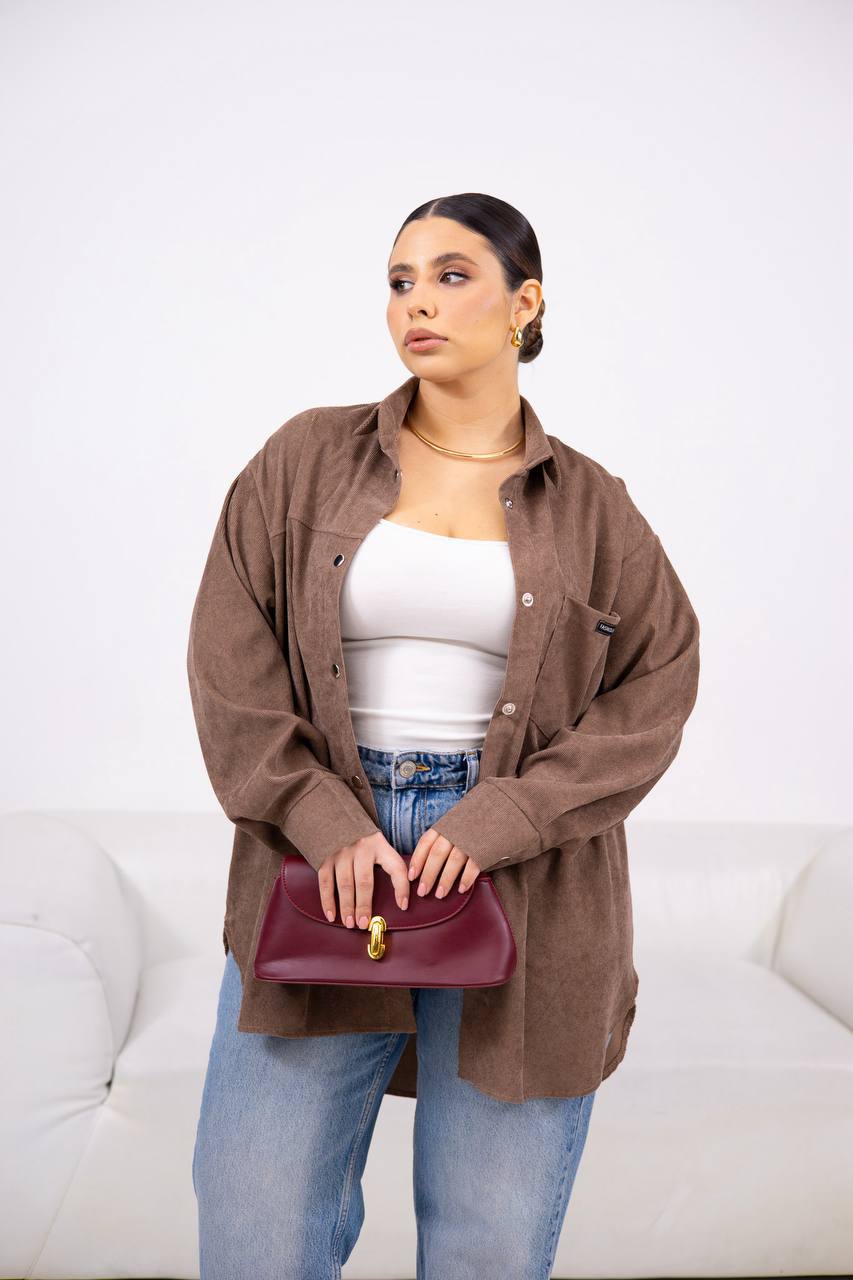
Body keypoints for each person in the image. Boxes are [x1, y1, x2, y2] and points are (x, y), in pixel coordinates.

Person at [187, 192, 701, 1279]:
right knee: (255, 1224)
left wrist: (504, 814)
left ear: (526, 303)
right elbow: (231, 665)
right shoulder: (303, 459)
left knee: (488, 1243)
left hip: (525, 874)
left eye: (451, 275)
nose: (416, 301)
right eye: (399, 280)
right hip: (323, 862)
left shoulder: (594, 507)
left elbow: (656, 685)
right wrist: (323, 817)